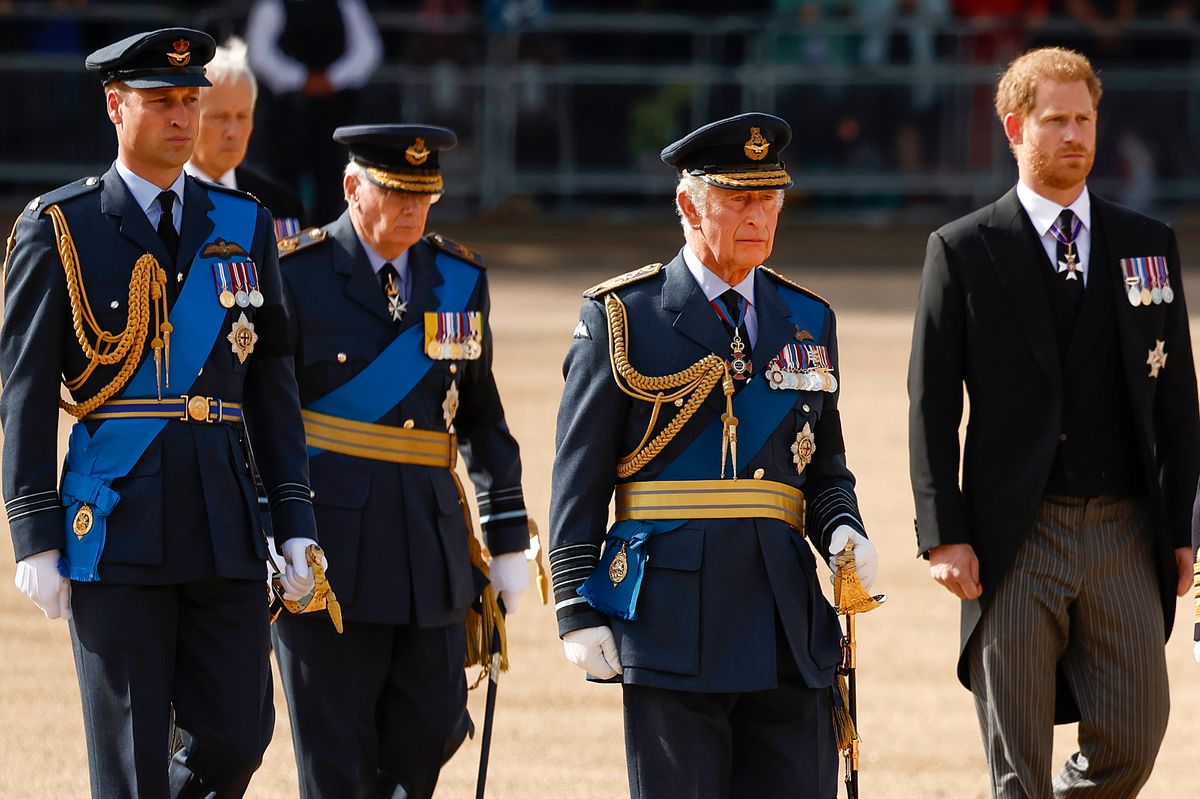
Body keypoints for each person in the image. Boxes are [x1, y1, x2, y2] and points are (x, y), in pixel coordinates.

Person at [0, 28, 321, 797]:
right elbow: (25, 392)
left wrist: (295, 516)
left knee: (239, 735)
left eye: (189, 100)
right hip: (118, 523)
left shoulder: (242, 224)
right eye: (160, 101)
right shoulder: (61, 228)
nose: (183, 117)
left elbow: (271, 381)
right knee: (133, 762)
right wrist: (33, 533)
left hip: (225, 519)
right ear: (115, 107)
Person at [548, 113, 879, 799]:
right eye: (737, 198)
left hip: (788, 624)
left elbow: (823, 466)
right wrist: (576, 609)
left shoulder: (808, 319)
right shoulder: (620, 318)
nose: (758, 215)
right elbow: (578, 480)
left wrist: (842, 526)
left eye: (768, 199)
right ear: (687, 204)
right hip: (670, 623)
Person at [908, 46, 1199, 798]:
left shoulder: (1148, 245)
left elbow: (1179, 403)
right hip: (1014, 534)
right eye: (1056, 120)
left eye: (1086, 119)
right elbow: (933, 405)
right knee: (1017, 761)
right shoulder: (962, 250)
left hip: (1123, 529)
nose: (1075, 135)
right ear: (1015, 127)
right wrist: (945, 532)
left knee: (1135, 738)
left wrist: (1182, 528)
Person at [272, 124, 532, 798]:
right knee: (336, 759)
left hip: (428, 547)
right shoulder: (297, 273)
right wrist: (275, 530)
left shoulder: (458, 279)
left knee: (434, 725)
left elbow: (481, 417)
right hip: (328, 553)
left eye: (425, 194)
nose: (414, 208)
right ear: (353, 189)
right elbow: (265, 418)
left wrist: (506, 540)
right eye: (396, 192)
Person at [244, 0, 383, 222]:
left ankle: (326, 244)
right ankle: (283, 246)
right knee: (282, 183)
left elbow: (368, 50)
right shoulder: (273, 5)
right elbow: (258, 54)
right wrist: (301, 79)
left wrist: (332, 79)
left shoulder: (347, 5)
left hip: (335, 114)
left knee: (335, 182)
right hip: (286, 114)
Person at [185, 36, 306, 240]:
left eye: (242, 116)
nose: (233, 131)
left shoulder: (281, 205)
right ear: (188, 116)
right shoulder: (163, 200)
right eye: (219, 117)